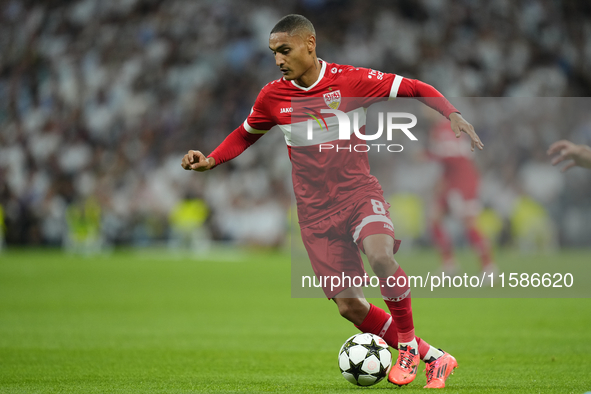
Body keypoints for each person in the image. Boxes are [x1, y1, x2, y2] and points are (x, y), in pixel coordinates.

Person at [182, 15, 483, 389]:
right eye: (274, 53)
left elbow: (414, 87)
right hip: (315, 216)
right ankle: (435, 358)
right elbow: (246, 134)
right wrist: (211, 159)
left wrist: (451, 112)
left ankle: (406, 345)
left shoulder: (351, 81)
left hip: (358, 195)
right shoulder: (272, 97)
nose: (278, 60)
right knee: (350, 306)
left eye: (285, 50)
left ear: (310, 43)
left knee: (381, 257)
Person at [426, 116, 497, 278]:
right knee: (434, 218)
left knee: (469, 224)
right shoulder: (437, 128)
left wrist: (427, 154)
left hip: (463, 182)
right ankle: (449, 264)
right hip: (451, 181)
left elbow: (455, 155)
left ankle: (489, 267)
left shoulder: (447, 127)